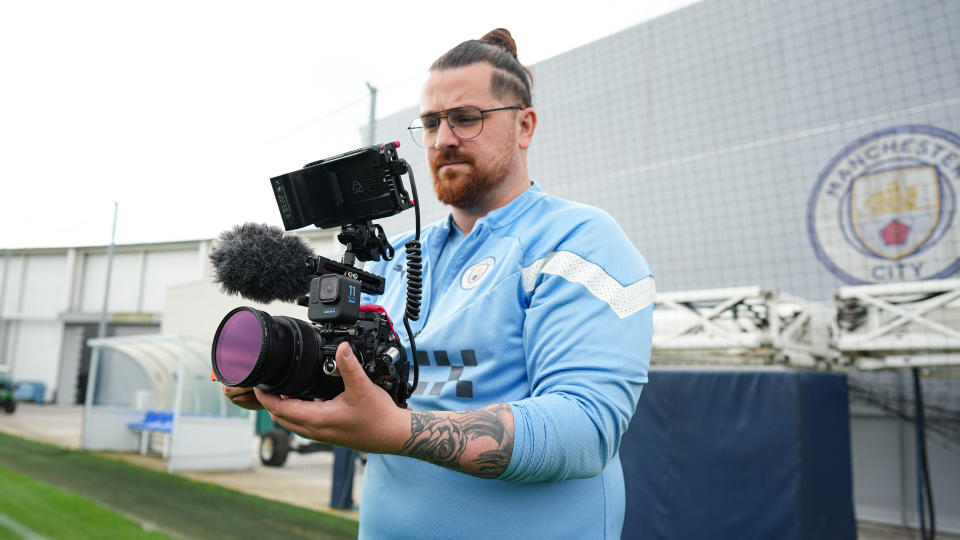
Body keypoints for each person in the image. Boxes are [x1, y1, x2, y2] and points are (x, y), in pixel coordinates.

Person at [224, 28, 655, 538]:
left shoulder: (580, 239)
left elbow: (585, 430)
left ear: (524, 125)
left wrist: (398, 432)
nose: (443, 138)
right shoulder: (397, 257)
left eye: (466, 118)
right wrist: (286, 377)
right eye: (430, 123)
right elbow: (360, 389)